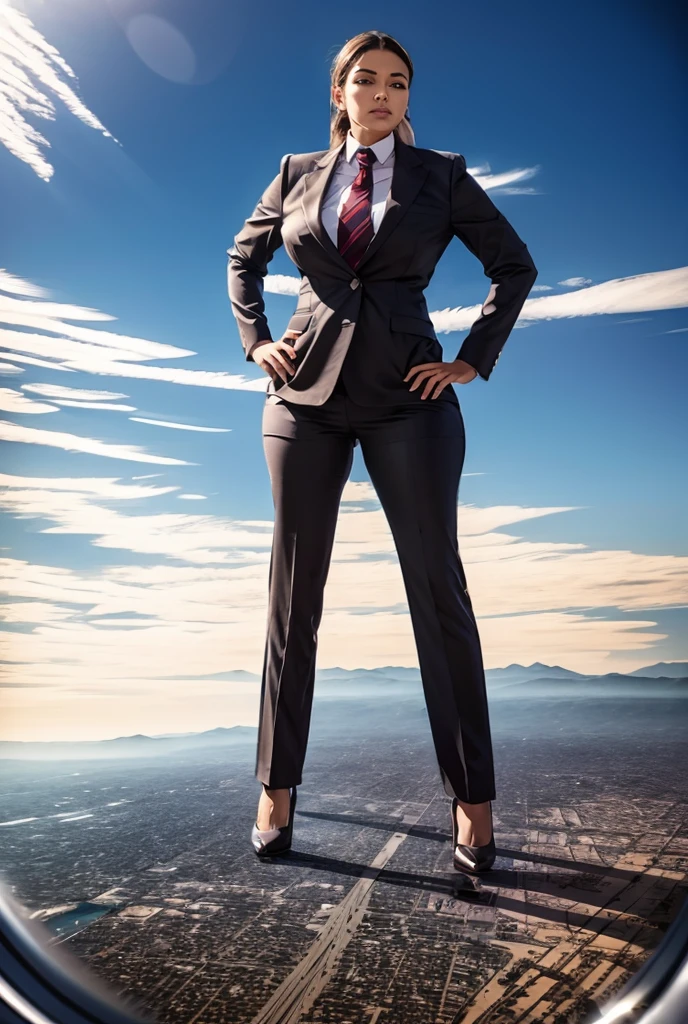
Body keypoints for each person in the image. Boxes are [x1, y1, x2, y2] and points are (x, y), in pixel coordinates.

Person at [226, 30, 537, 872]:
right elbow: (242, 258)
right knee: (294, 598)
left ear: (408, 97)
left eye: (397, 83)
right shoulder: (297, 174)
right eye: (366, 80)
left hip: (412, 398)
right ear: (339, 92)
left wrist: (473, 357)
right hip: (303, 401)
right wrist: (256, 340)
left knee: (439, 592)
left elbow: (514, 266)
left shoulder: (441, 174)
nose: (382, 93)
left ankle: (473, 805)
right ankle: (276, 786)